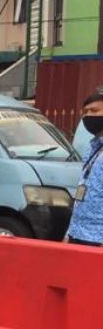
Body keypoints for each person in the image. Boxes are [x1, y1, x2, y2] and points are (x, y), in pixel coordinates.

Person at [65, 92, 103, 247]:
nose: (88, 116)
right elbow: (81, 196)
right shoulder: (92, 148)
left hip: (98, 238)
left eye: (94, 111)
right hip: (78, 233)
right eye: (85, 112)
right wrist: (68, 233)